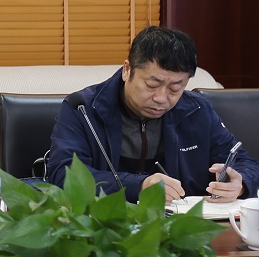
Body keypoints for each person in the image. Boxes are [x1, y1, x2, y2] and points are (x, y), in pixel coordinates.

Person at [46, 25, 259, 203]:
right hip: (108, 225)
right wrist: (139, 186)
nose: (161, 98)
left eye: (175, 88)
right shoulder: (82, 108)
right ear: (127, 70)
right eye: (151, 85)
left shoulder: (197, 111)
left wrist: (240, 183)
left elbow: (244, 162)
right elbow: (64, 174)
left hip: (184, 225)